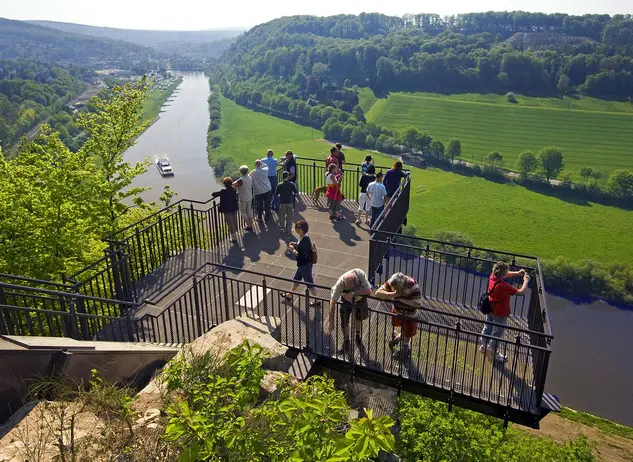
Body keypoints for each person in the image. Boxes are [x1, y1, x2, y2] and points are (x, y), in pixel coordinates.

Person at [480, 262, 530, 362]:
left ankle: (484, 346)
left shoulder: (492, 276)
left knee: (488, 326)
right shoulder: (503, 286)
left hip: (490, 308)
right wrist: (525, 281)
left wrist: (517, 273)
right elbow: (521, 292)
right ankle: (494, 354)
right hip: (500, 312)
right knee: (497, 333)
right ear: (502, 274)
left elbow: (504, 274)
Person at [374, 273, 423, 359]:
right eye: (394, 288)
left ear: (403, 285)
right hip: (397, 311)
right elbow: (377, 293)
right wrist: (393, 294)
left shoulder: (413, 285)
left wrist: (400, 300)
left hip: (410, 314)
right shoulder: (393, 282)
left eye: (397, 289)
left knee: (408, 332)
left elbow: (418, 304)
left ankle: (404, 349)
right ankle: (398, 340)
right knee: (403, 328)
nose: (395, 289)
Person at [327, 269, 373, 354]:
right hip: (346, 301)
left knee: (359, 317)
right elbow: (332, 301)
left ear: (356, 282)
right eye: (347, 288)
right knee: (344, 321)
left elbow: (369, 291)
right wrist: (331, 321)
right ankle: (346, 340)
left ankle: (357, 336)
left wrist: (353, 293)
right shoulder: (340, 283)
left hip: (360, 300)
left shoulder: (360, 274)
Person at [281, 220, 321, 306]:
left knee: (309, 283)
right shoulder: (303, 237)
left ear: (302, 229)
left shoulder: (305, 240)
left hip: (305, 265)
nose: (296, 229)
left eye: (298, 228)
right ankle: (289, 296)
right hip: (302, 265)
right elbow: (301, 247)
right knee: (296, 279)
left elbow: (302, 255)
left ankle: (317, 301)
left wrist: (293, 250)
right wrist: (295, 245)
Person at [211, 177, 240, 245]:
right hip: (234, 208)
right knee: (235, 221)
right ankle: (236, 233)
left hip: (227, 210)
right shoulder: (234, 190)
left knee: (230, 224)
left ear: (224, 184)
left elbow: (213, 194)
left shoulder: (223, 191)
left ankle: (234, 238)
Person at [249, 160, 272, 224]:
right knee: (267, 203)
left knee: (259, 205)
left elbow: (248, 178)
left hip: (259, 191)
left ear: (255, 165)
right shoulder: (265, 170)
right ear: (260, 164)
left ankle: (259, 218)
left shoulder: (253, 172)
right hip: (267, 189)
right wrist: (262, 163)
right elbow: (266, 166)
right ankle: (267, 216)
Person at [232, 165, 254, 232]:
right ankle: (251, 223)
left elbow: (233, 184)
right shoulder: (250, 177)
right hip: (249, 196)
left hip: (243, 198)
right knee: (249, 210)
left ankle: (249, 226)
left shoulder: (241, 180)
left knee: (243, 212)